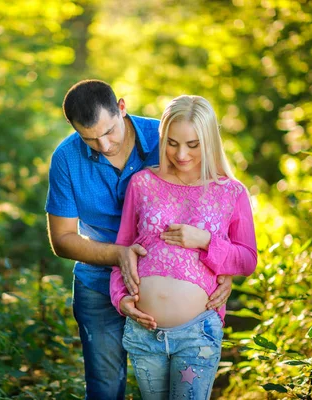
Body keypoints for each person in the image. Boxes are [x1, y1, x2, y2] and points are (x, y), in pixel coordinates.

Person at [46, 80, 233, 399]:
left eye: (109, 132)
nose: (103, 145)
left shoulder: (167, 139)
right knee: (104, 386)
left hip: (175, 285)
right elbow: (61, 239)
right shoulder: (66, 158)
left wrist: (222, 266)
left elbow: (216, 199)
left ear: (121, 107)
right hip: (98, 286)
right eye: (89, 138)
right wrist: (119, 255)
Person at [109, 94, 258, 399]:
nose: (181, 154)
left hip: (197, 333)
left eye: (193, 144)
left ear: (209, 141)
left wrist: (205, 242)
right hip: (143, 331)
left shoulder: (230, 192)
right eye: (173, 142)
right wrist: (120, 299)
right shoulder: (142, 183)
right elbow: (123, 250)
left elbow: (247, 259)